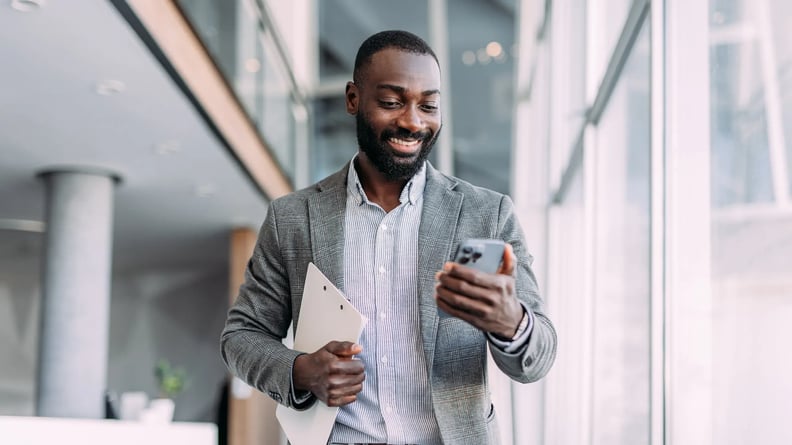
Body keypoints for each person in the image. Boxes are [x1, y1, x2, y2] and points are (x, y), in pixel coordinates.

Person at [221, 30, 557, 445]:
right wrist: (302, 370)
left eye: (429, 105)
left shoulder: (487, 214)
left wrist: (511, 322)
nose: (413, 122)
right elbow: (242, 336)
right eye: (392, 102)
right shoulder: (293, 218)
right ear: (352, 99)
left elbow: (538, 358)